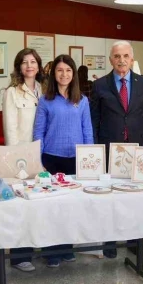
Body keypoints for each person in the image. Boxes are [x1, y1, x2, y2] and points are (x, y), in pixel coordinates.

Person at [90, 41, 143, 258]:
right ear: (111, 60)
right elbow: (95, 120)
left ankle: (134, 240)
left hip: (138, 151)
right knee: (110, 198)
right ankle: (109, 242)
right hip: (110, 150)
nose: (121, 60)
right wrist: (97, 151)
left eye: (126, 56)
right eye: (117, 56)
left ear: (132, 59)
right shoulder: (100, 85)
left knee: (135, 199)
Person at [33, 55, 94, 266]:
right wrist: (38, 161)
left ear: (73, 74)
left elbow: (88, 131)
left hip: (75, 160)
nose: (64, 74)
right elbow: (39, 132)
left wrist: (90, 159)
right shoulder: (45, 100)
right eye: (60, 70)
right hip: (51, 160)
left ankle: (67, 247)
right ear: (53, 74)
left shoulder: (83, 100)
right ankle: (51, 251)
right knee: (52, 208)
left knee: (71, 207)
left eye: (68, 70)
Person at [2, 48, 44, 272]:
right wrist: (16, 160)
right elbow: (10, 129)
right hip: (23, 156)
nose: (29, 66)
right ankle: (19, 256)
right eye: (25, 62)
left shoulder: (44, 89)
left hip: (42, 153)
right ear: (19, 67)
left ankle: (37, 246)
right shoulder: (12, 92)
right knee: (22, 205)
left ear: (39, 66)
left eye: (33, 62)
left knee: (40, 204)